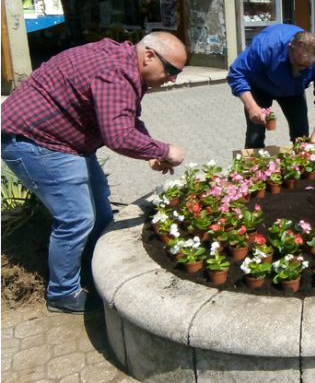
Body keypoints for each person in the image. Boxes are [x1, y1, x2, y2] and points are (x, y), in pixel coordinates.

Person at [1, 32, 187, 314]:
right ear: (149, 56)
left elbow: (127, 118)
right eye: (171, 70)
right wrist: (165, 150)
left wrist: (150, 151)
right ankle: (62, 294)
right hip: (36, 141)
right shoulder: (116, 72)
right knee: (76, 218)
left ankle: (97, 265)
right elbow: (119, 136)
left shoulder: (125, 64)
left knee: (100, 205)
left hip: (65, 141)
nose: (173, 78)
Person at [227, 24, 315, 148]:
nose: (301, 69)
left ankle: (298, 165)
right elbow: (236, 73)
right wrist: (252, 107)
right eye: (298, 64)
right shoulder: (267, 46)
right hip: (261, 86)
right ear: (289, 48)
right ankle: (254, 164)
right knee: (255, 136)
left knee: (301, 137)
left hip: (293, 91)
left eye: (307, 66)